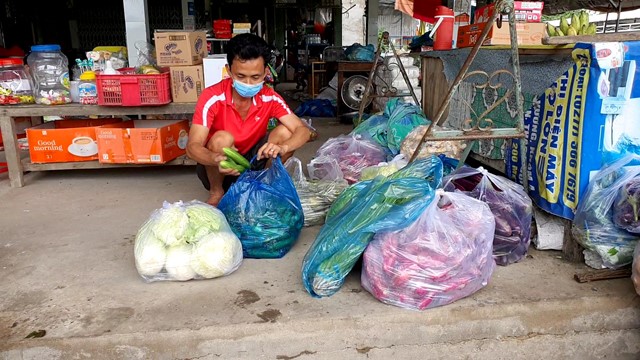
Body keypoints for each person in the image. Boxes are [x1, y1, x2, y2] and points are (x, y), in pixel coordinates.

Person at [187, 33, 312, 206]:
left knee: (286, 131)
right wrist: (215, 158)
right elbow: (192, 147)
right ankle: (216, 192)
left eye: (255, 77)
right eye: (240, 76)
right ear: (229, 70)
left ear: (266, 72)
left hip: (254, 162)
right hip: (220, 168)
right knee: (221, 138)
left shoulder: (270, 97)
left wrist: (283, 148)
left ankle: (263, 187)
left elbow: (303, 130)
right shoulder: (212, 97)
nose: (248, 83)